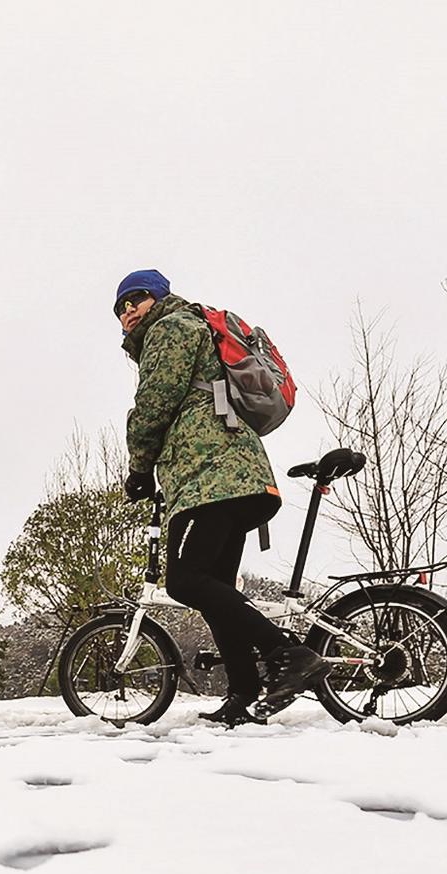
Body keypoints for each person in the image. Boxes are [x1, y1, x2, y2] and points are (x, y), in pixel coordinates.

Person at [114, 268, 327, 725]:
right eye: (120, 307)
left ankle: (288, 653)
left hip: (212, 476)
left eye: (136, 299)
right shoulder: (188, 329)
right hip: (231, 477)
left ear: (159, 299)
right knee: (217, 592)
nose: (128, 310)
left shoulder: (171, 328)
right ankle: (244, 693)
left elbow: (154, 403)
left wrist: (138, 468)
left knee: (185, 581)